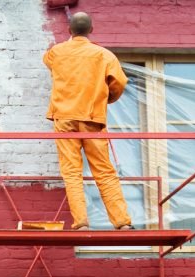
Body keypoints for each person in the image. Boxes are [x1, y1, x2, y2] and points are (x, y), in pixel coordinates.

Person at [43, 12, 132, 231]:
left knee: (72, 172)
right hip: (92, 118)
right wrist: (106, 99)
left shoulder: (56, 52)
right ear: (91, 30)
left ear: (69, 30)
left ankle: (81, 222)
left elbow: (49, 62)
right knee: (103, 171)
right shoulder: (104, 55)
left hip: (64, 118)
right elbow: (119, 82)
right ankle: (121, 222)